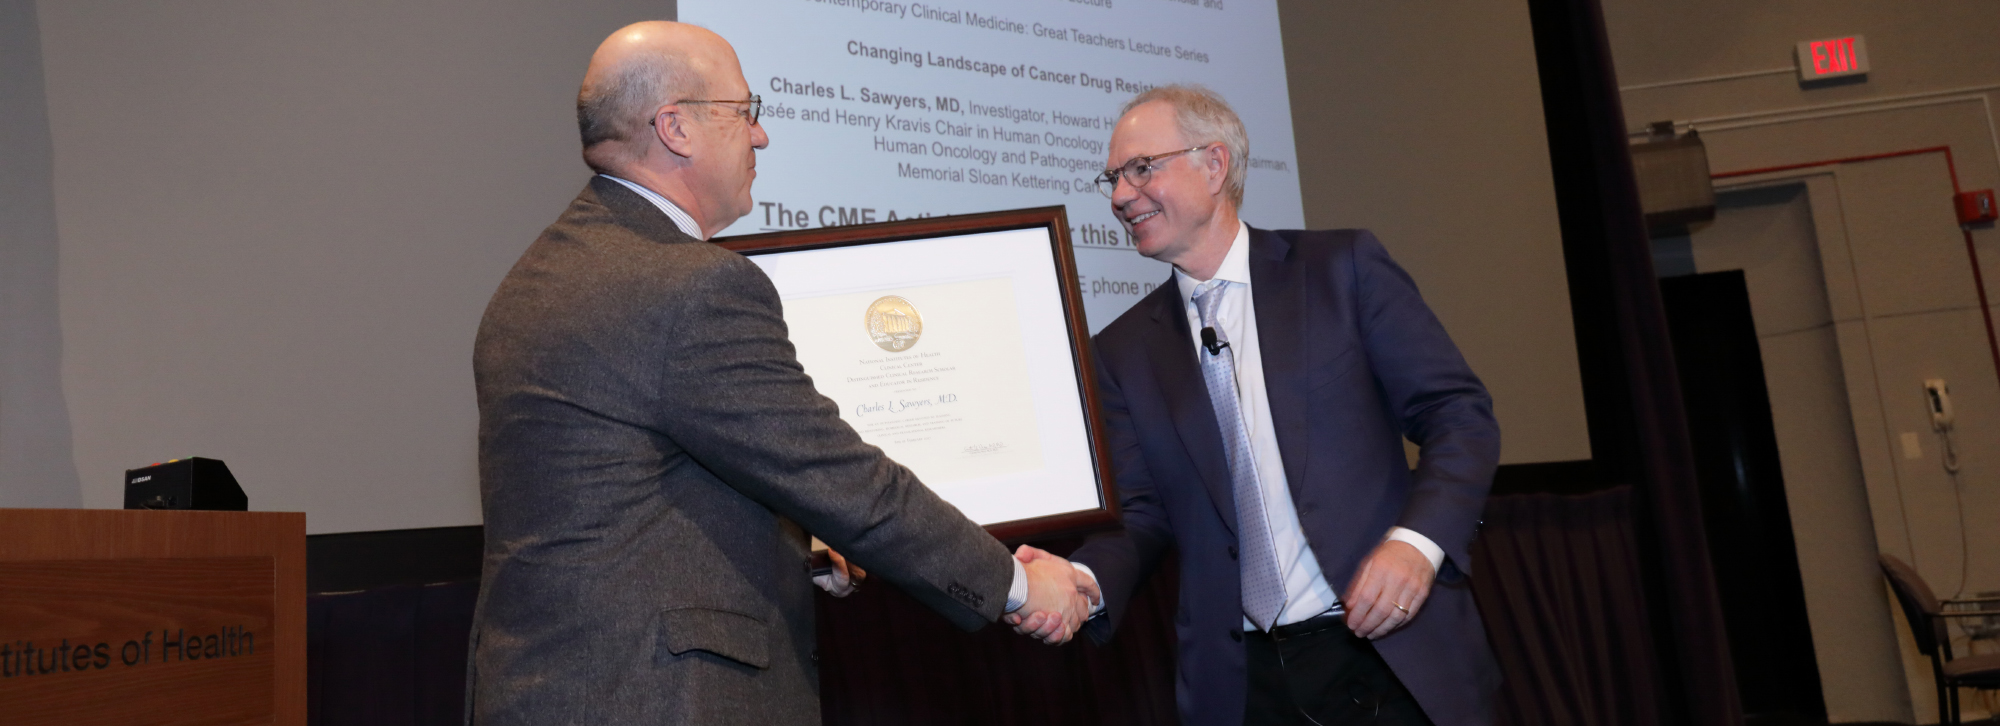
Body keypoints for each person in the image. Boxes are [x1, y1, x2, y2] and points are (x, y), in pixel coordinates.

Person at [468, 21, 1093, 725]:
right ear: (675, 127)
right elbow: (840, 477)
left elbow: (625, 492)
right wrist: (1016, 585)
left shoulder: (539, 274)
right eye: (744, 113)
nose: (760, 137)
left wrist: (793, 542)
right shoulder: (687, 285)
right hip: (658, 698)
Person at [1020, 85, 1502, 725]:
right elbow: (1143, 514)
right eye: (1113, 177)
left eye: (1141, 169)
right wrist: (1083, 582)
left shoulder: (1341, 270)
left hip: (1389, 654)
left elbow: (1458, 414)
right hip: (1244, 686)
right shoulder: (1122, 351)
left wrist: (1417, 545)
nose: (1118, 196)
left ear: (1214, 164)